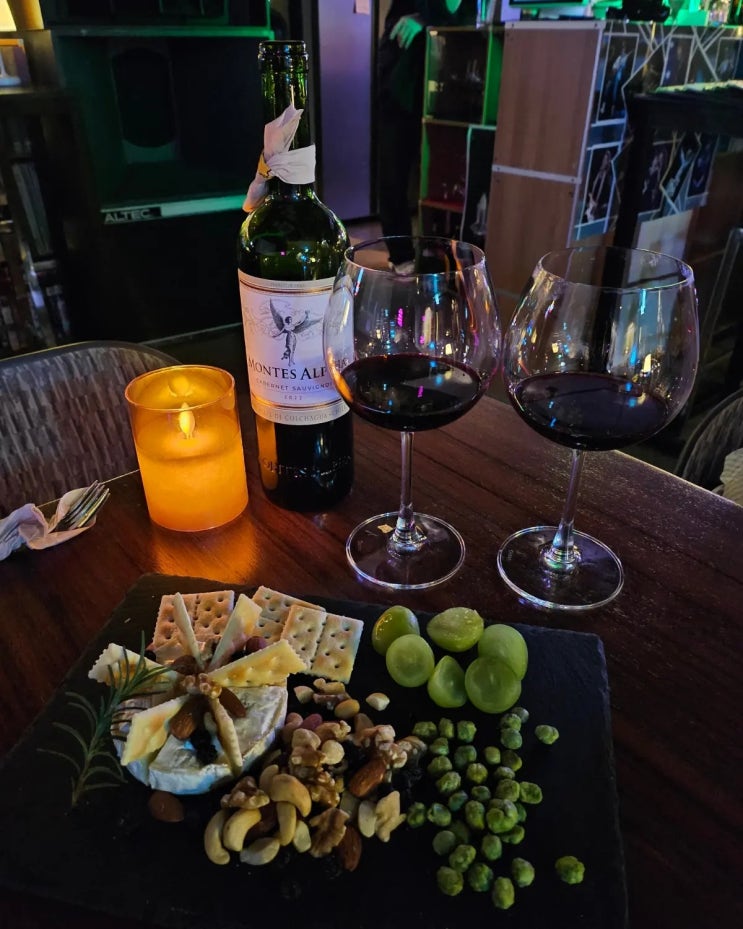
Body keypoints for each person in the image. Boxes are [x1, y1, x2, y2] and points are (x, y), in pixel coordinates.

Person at [376, 0, 475, 270]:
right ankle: (402, 255)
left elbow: (465, 21)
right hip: (402, 87)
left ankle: (441, 254)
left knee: (443, 178)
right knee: (393, 173)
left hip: (451, 90)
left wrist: (425, 20)